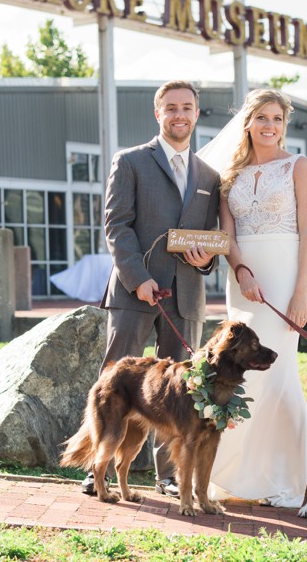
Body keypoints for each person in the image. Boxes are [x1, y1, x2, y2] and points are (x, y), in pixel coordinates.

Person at [199, 88, 307, 510]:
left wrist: (301, 295)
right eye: (262, 117)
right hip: (243, 282)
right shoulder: (231, 175)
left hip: (283, 279)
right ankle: (230, 474)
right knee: (237, 372)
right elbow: (228, 235)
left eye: (277, 119)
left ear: (285, 124)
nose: (270, 126)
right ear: (248, 122)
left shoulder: (299, 166)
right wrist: (240, 270)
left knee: (277, 375)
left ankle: (291, 477)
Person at [81, 80, 222, 497]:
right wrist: (137, 278)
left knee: (181, 391)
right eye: (171, 108)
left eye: (188, 108)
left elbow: (210, 237)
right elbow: (116, 225)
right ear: (157, 112)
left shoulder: (209, 176)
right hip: (133, 291)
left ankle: (168, 476)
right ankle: (97, 469)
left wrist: (207, 259)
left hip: (186, 296)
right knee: (114, 383)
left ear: (197, 113)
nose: (180, 115)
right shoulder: (130, 162)